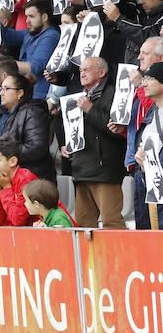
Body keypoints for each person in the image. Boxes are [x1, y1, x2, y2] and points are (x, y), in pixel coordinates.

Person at [63, 57, 126, 229]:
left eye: (87, 70)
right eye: (80, 70)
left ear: (102, 72)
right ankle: (87, 257)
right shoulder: (78, 97)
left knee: (111, 222)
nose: (81, 73)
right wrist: (68, 146)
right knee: (83, 225)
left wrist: (90, 109)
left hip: (104, 169)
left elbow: (117, 129)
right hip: (81, 169)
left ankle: (117, 256)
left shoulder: (115, 93)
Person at [0, 136, 40, 226]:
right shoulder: (1, 181)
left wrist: (6, 188)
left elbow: (17, 220)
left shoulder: (25, 179)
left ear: (12, 161)